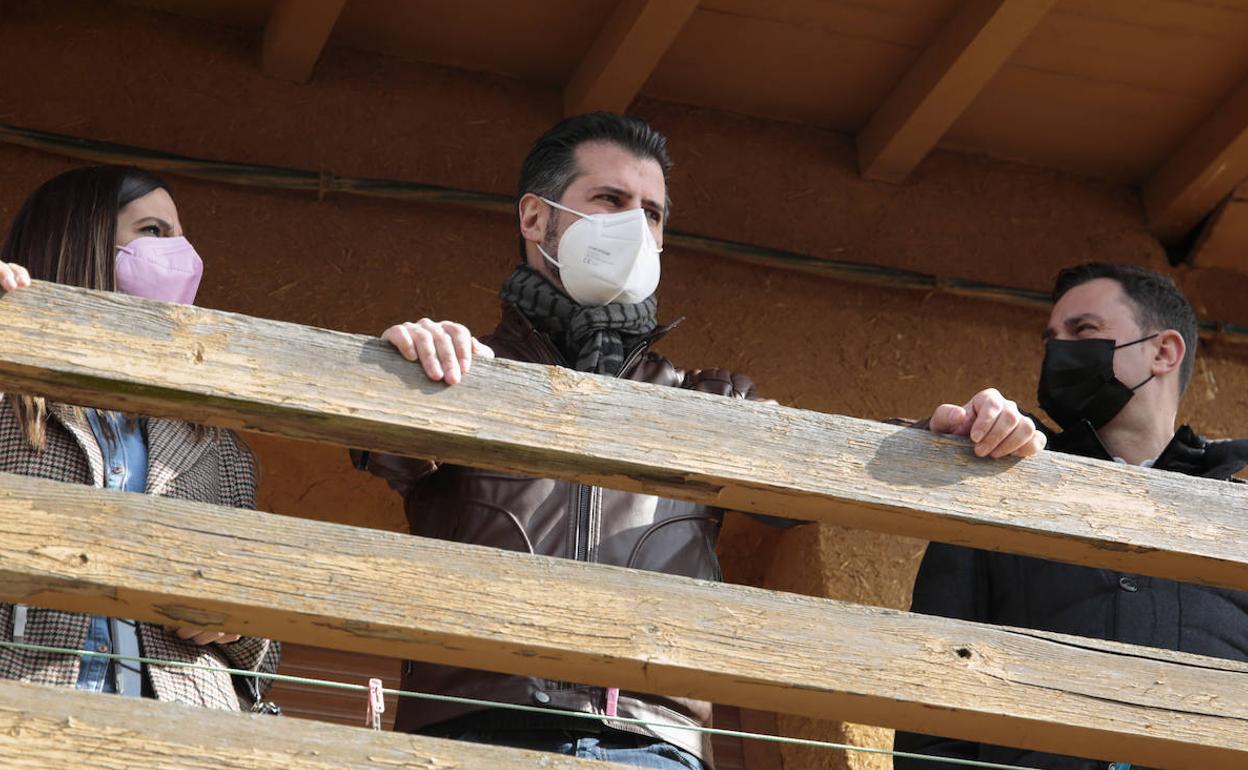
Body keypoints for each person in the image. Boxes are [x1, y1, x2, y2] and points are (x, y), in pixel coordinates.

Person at [894, 262, 1248, 769]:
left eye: (1083, 331)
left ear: (1163, 352)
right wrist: (948, 445)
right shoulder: (996, 488)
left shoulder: (1238, 517)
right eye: (1051, 340)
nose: (1060, 353)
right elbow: (933, 709)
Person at [0, 165, 279, 711]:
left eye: (180, 236)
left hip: (182, 726)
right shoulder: (8, 397)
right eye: (153, 231)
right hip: (25, 710)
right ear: (78, 239)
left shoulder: (216, 444)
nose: (181, 254)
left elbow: (263, 663)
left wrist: (237, 624)